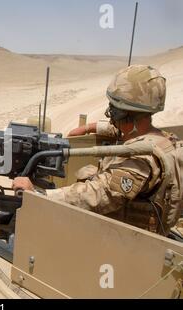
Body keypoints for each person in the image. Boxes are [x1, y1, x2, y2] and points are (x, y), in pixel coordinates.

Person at [13, 65, 182, 236]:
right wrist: (91, 127)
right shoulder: (161, 139)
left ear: (128, 116)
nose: (111, 115)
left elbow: (100, 194)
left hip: (126, 242)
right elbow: (125, 131)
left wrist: (39, 194)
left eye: (114, 111)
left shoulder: (142, 159)